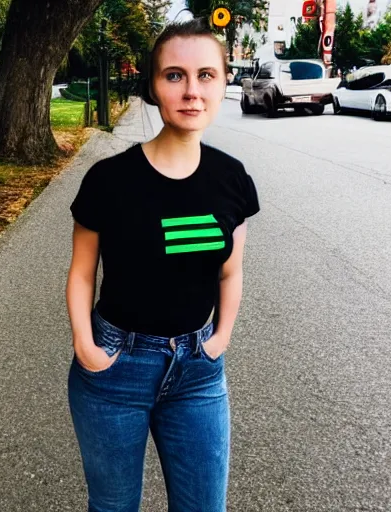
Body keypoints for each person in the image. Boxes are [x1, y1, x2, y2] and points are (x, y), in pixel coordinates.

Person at [66, 17, 260, 512]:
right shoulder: (108, 180)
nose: (191, 90)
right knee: (113, 507)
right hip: (115, 370)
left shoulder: (232, 179)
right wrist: (86, 346)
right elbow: (82, 272)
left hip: (197, 372)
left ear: (223, 82)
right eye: (174, 75)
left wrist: (221, 339)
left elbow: (230, 269)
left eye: (206, 75)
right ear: (153, 87)